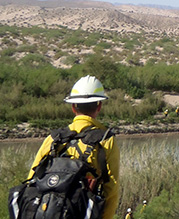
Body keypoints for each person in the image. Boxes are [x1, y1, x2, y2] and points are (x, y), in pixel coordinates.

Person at [28, 75, 120, 219]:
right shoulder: (106, 140)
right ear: (99, 106)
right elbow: (111, 190)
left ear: (73, 107)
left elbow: (32, 179)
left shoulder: (54, 139)